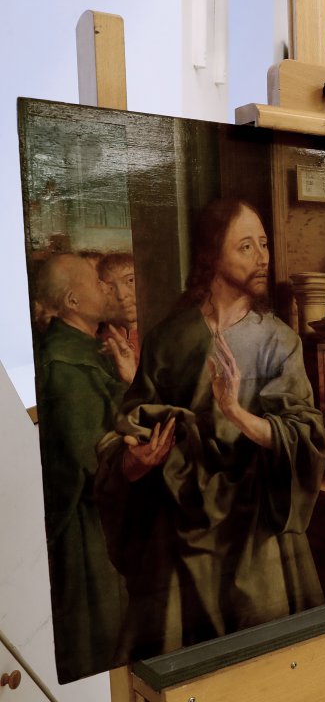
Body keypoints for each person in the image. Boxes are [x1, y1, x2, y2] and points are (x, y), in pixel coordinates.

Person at [95, 198, 325, 663]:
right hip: (179, 538)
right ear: (212, 257)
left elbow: (307, 435)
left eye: (264, 244)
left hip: (257, 538)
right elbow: (128, 422)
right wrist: (133, 462)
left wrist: (236, 412)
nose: (263, 257)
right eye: (246, 246)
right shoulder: (170, 337)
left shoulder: (278, 339)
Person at [33, 252, 131, 682]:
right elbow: (92, 456)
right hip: (85, 526)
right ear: (73, 300)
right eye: (97, 280)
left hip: (106, 517)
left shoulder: (89, 348)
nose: (106, 287)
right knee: (100, 640)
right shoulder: (63, 364)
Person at [97, 252, 141, 364]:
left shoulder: (160, 334)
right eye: (111, 288)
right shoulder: (98, 339)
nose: (121, 295)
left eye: (130, 281)